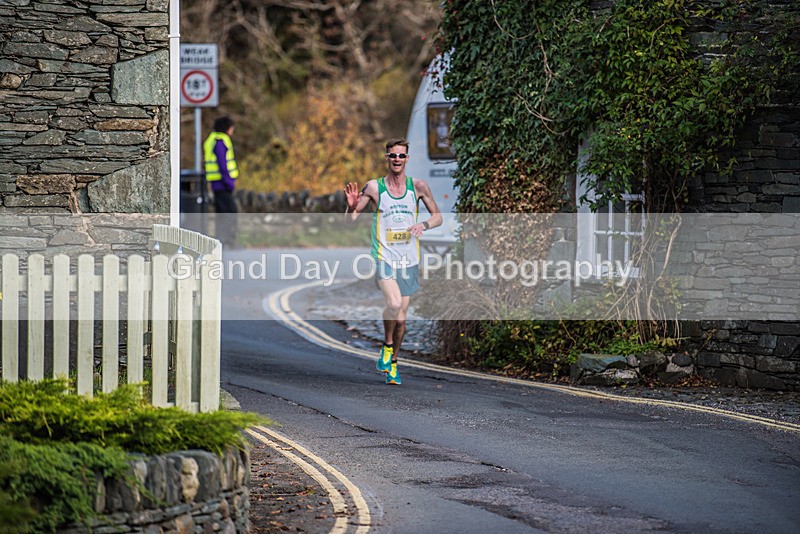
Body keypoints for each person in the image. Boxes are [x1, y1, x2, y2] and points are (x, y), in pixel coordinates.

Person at [345, 138, 443, 385]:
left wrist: (423, 225)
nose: (397, 159)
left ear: (407, 158)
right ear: (386, 158)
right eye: (393, 155)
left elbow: (437, 217)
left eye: (401, 155)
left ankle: (394, 362)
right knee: (394, 303)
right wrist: (350, 207)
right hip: (384, 256)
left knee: (401, 319)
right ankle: (387, 344)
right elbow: (351, 220)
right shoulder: (374, 188)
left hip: (409, 259)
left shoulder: (418, 186)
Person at [204, 116, 239, 247]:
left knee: (221, 213)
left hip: (217, 182)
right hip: (222, 183)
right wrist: (229, 182)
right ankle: (228, 241)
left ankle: (221, 241)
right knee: (230, 212)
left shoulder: (213, 139)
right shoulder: (220, 141)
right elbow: (223, 164)